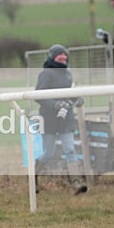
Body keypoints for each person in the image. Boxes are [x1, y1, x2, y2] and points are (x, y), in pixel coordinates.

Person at [34, 44, 87, 195]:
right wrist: (55, 105)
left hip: (66, 118)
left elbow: (69, 92)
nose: (63, 57)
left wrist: (77, 99)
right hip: (49, 119)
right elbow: (38, 96)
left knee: (70, 149)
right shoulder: (46, 74)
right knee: (49, 153)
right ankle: (33, 176)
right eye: (59, 55)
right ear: (52, 57)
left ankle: (76, 182)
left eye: (65, 55)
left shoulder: (68, 74)